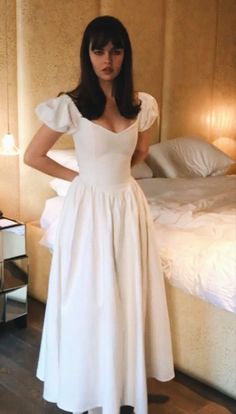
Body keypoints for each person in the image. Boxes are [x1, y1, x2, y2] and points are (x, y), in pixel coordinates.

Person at [24, 15, 174, 414]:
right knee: (91, 297)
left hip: (128, 205)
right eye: (99, 50)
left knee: (125, 293)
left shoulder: (141, 104)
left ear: (125, 55)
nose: (108, 59)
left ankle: (121, 384)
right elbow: (33, 156)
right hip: (89, 208)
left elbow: (141, 152)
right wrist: (81, 177)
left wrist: (116, 174)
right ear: (87, 55)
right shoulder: (71, 106)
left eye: (116, 50)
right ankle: (89, 386)